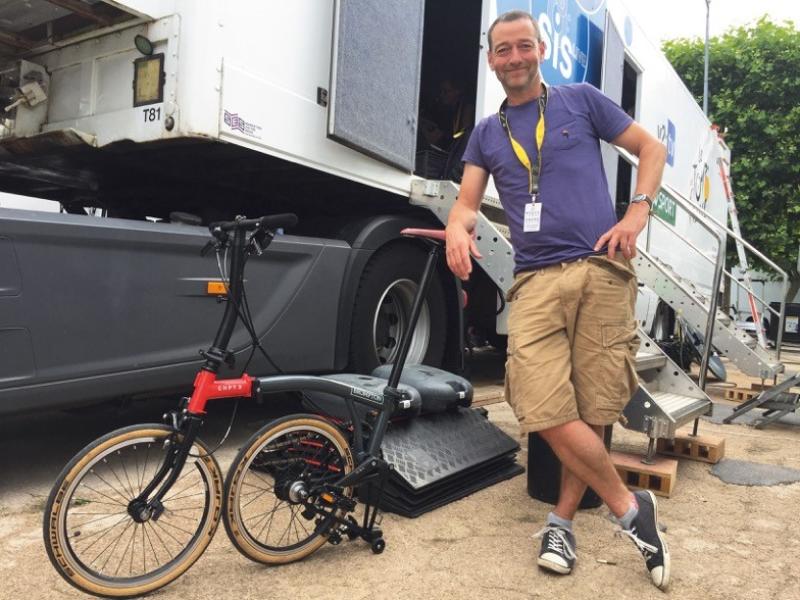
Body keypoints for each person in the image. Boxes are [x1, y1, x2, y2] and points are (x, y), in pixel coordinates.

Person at [444, 10, 670, 590]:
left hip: (601, 267)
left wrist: (637, 211)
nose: (514, 57)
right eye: (502, 50)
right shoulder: (487, 132)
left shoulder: (581, 100)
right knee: (539, 402)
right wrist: (456, 226)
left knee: (594, 403)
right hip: (537, 280)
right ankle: (629, 508)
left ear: (540, 49)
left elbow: (650, 147)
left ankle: (561, 523)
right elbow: (468, 202)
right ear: (491, 59)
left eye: (523, 46)